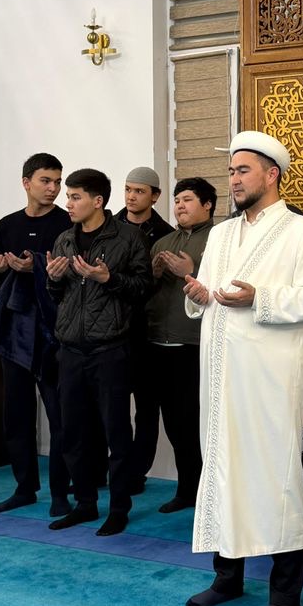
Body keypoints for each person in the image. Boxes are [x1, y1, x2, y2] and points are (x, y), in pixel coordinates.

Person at [182, 131, 303, 606]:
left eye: (242, 170)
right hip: (220, 376)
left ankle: (285, 595)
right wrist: (199, 295)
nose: (233, 180)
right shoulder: (221, 234)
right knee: (222, 469)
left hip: (268, 379)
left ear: (272, 175)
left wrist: (259, 298)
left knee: (273, 478)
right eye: (230, 171)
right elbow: (210, 295)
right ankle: (227, 578)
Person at [46, 168, 151, 535]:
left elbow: (144, 287)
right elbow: (60, 296)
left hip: (110, 349)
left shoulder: (129, 237)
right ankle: (85, 503)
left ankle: (119, 508)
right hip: (70, 349)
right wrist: (53, 280)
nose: (68, 203)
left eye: (75, 197)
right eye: (68, 196)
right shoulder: (64, 239)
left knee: (116, 433)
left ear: (98, 201)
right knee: (74, 432)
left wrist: (109, 278)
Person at [0, 152, 70, 513]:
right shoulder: (6, 225)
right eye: (45, 181)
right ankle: (24, 487)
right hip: (15, 329)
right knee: (16, 412)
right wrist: (0, 269)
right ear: (26, 183)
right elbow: (0, 283)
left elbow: (69, 278)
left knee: (59, 415)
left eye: (57, 182)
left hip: (53, 330)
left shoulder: (67, 222)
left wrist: (33, 267)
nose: (53, 189)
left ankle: (61, 493)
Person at [145, 177, 217, 514]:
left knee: (199, 422)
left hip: (196, 344)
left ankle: (209, 491)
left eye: (187, 199)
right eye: (176, 200)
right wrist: (153, 275)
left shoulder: (219, 239)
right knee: (174, 423)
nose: (180, 206)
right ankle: (187, 488)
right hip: (159, 342)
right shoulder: (163, 243)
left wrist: (193, 270)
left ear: (208, 204)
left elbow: (226, 285)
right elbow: (144, 292)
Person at [115, 166, 173, 492]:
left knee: (147, 408)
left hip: (148, 331)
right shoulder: (110, 227)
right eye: (128, 189)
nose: (131, 196)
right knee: (112, 405)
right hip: (113, 328)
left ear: (155, 196)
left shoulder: (166, 234)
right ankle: (115, 468)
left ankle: (137, 472)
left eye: (139, 191)